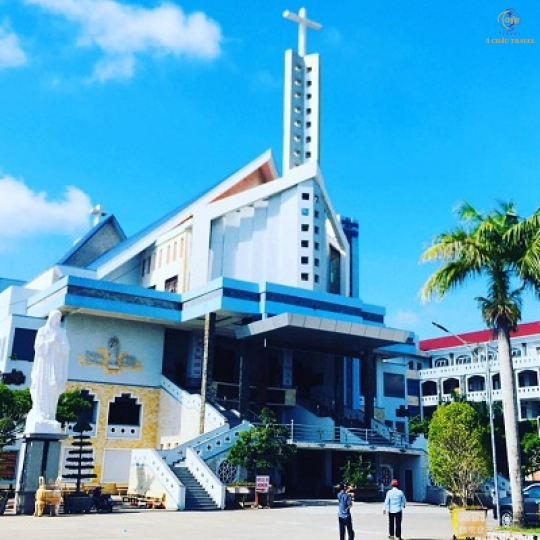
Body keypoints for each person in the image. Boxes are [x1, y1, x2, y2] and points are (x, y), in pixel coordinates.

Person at [25, 310, 70, 434]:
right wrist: (50, 342)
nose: (56, 320)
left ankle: (50, 415)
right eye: (54, 317)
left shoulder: (62, 332)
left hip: (56, 366)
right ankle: (40, 413)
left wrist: (57, 345)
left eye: (58, 318)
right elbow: (38, 347)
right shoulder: (43, 331)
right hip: (44, 366)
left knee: (53, 390)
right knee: (42, 389)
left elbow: (66, 349)